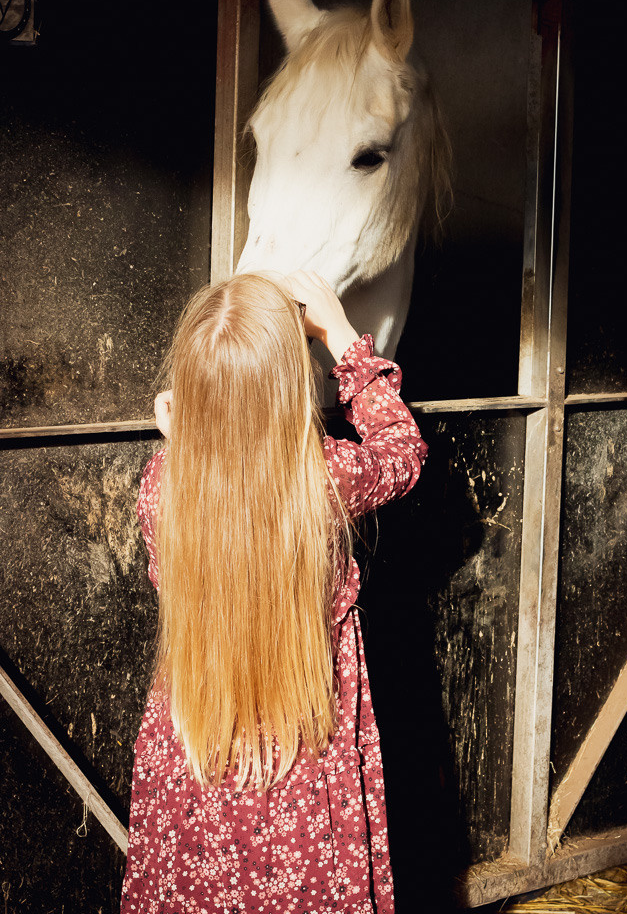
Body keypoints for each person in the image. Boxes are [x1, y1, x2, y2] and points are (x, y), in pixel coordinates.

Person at [120, 271, 428, 914]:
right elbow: (402, 452)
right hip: (304, 755)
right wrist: (339, 335)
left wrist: (186, 442)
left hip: (200, 747)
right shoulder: (325, 477)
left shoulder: (162, 486)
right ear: (291, 388)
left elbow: (201, 523)